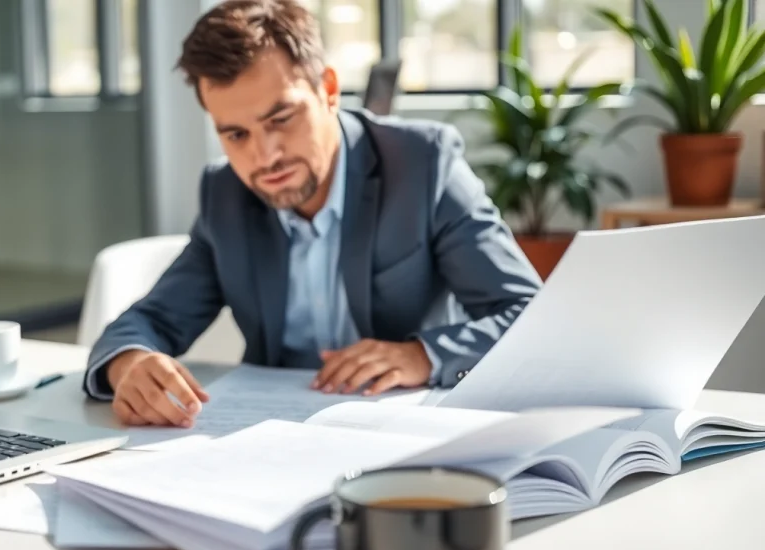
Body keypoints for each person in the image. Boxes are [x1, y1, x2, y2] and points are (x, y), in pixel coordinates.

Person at [82, 0, 542, 427]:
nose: (265, 156)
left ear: (328, 89)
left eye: (281, 119)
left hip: (404, 434)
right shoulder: (225, 194)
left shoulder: (422, 164)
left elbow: (530, 314)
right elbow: (151, 321)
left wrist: (422, 355)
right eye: (236, 135)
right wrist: (131, 364)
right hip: (272, 434)